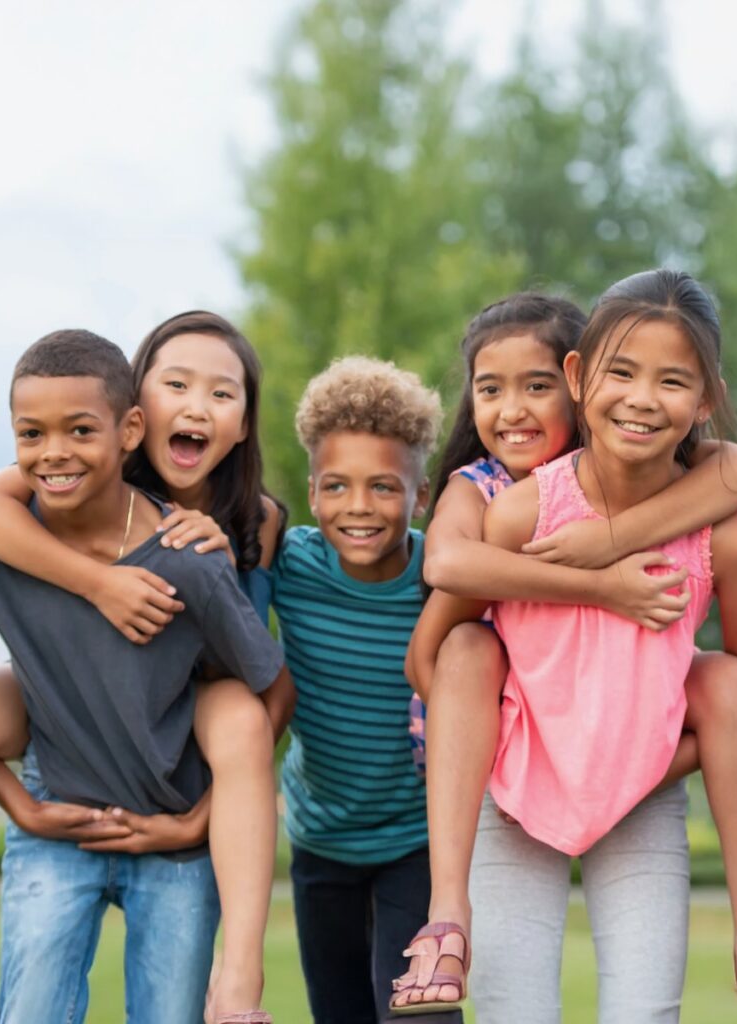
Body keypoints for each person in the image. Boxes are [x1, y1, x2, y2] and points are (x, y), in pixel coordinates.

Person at [391, 290, 737, 1018]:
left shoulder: (732, 538)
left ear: (703, 400)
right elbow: (431, 653)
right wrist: (594, 582)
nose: (642, 399)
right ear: (581, 376)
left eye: (672, 380)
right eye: (620, 373)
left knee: (644, 1011)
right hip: (515, 783)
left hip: (641, 790)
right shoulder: (519, 510)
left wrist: (646, 752)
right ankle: (446, 920)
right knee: (513, 1011)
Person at [0, 319, 293, 1024]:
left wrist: (196, 821)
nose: (195, 406)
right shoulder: (44, 487)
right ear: (142, 411)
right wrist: (97, 583)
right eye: (176, 384)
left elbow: (266, 689)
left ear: (243, 422)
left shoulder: (240, 523)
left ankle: (237, 987)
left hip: (182, 741)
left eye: (220, 392)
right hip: (63, 725)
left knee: (234, 715)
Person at [270, 356, 459, 1024]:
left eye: (383, 487)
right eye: (336, 486)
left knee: (420, 1016)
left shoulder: (444, 578)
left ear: (422, 495)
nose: (357, 506)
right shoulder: (288, 564)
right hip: (321, 841)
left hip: (416, 842)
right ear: (313, 492)